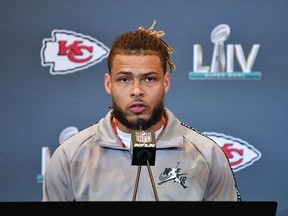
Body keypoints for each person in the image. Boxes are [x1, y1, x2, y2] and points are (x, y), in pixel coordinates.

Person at [42, 21, 241, 201]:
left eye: (149, 79)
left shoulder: (208, 156)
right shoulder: (69, 157)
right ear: (109, 84)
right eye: (124, 79)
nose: (137, 91)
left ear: (166, 82)